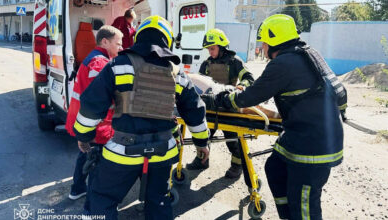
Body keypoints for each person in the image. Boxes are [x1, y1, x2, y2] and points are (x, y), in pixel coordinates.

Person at [206, 14, 347, 220]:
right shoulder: (310, 54)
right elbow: (341, 91)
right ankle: (288, 216)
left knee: (305, 203)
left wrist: (223, 100)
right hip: (304, 134)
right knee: (274, 168)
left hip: (312, 146)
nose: (262, 47)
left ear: (274, 40)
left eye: (264, 41)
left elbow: (251, 96)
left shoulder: (283, 64)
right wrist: (335, 114)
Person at [73, 15, 210, 220]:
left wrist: (83, 136)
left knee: (102, 199)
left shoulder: (118, 65)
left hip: (122, 152)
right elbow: (195, 111)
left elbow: (91, 106)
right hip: (162, 153)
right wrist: (201, 143)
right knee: (159, 202)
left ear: (139, 38)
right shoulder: (176, 73)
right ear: (167, 40)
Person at [66, 25, 123, 212]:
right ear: (105, 41)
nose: (121, 48)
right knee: (96, 165)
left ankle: (77, 189)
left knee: (85, 155)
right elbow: (100, 101)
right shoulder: (101, 63)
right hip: (97, 125)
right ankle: (91, 207)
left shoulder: (93, 58)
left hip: (85, 122)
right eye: (118, 43)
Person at [186, 28, 254, 180]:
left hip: (229, 107)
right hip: (210, 107)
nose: (210, 52)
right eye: (208, 49)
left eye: (212, 48)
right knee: (204, 136)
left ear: (222, 46)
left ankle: (237, 166)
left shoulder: (235, 62)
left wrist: (241, 86)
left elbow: (249, 78)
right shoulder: (206, 64)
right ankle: (202, 160)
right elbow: (200, 82)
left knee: (233, 139)